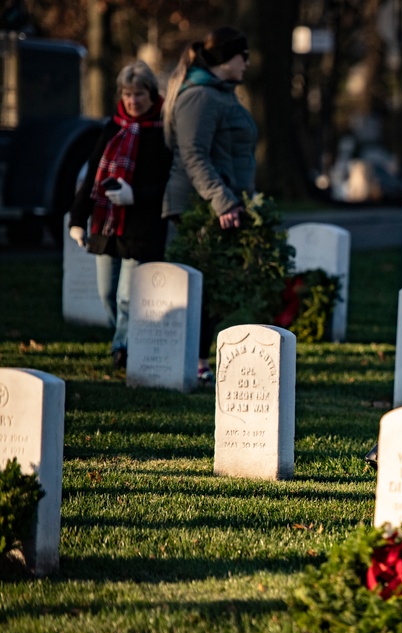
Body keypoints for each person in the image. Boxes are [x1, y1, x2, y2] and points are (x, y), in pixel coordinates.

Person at [161, 26, 256, 384]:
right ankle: (194, 362)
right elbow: (193, 155)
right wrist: (222, 201)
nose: (247, 62)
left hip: (223, 206)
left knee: (216, 288)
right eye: (241, 55)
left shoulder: (222, 95)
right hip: (198, 208)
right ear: (224, 59)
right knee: (203, 288)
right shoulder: (200, 97)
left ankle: (198, 360)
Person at [69, 60, 172, 371]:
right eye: (127, 94)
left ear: (152, 94)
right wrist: (77, 219)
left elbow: (168, 181)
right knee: (108, 293)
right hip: (108, 223)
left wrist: (136, 196)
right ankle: (125, 338)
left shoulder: (164, 130)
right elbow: (92, 176)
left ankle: (122, 348)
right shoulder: (113, 126)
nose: (132, 101)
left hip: (143, 226)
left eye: (139, 94)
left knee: (129, 295)